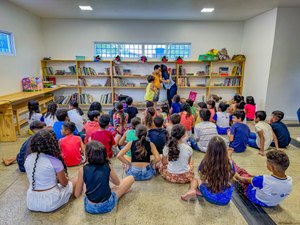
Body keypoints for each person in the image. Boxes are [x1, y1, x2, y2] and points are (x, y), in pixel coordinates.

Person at [74, 141, 134, 214]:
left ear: (87, 155)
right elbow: (117, 183)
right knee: (131, 178)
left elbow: (77, 194)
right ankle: (124, 190)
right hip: (107, 205)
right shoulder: (107, 165)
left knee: (89, 183)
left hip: (89, 207)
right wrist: (107, 175)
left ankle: (123, 190)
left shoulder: (83, 169)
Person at [24, 129, 77, 212]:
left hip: (31, 201)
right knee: (74, 180)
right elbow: (64, 183)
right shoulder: (55, 161)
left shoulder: (28, 158)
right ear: (51, 144)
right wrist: (63, 178)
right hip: (51, 202)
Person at [181, 136, 235, 205]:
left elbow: (202, 177)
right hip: (225, 199)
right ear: (225, 150)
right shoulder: (230, 163)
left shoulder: (205, 162)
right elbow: (232, 175)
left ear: (209, 150)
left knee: (195, 180)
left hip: (210, 196)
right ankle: (198, 191)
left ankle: (192, 190)